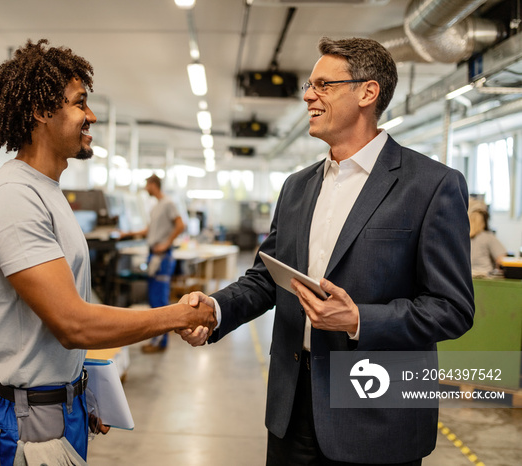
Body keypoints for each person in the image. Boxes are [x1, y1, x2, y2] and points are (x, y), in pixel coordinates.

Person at [180, 37, 474, 465]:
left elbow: (452, 308)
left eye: (323, 85)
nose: (307, 96)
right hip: (291, 407)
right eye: (308, 84)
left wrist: (358, 319)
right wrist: (215, 309)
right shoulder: (297, 186)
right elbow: (267, 278)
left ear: (367, 93)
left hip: (375, 414)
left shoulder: (431, 186)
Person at [0, 39, 216, 466]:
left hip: (58, 406)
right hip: (23, 419)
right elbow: (71, 323)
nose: (92, 116)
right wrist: (178, 316)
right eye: (80, 103)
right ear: (41, 111)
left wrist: (79, 393)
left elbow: (58, 327)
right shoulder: (13, 197)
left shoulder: (47, 193)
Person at [120, 174, 186, 353]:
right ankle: (157, 341)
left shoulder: (168, 204)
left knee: (159, 301)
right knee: (153, 299)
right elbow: (149, 230)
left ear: (153, 185)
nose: (145, 189)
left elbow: (181, 225)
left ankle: (160, 343)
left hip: (162, 256)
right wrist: (127, 234)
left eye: (147, 185)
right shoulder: (156, 206)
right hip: (153, 255)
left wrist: (166, 243)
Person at [469, 199, 508, 277]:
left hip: (467, 279)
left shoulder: (461, 239)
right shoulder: (488, 237)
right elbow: (502, 260)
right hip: (485, 279)